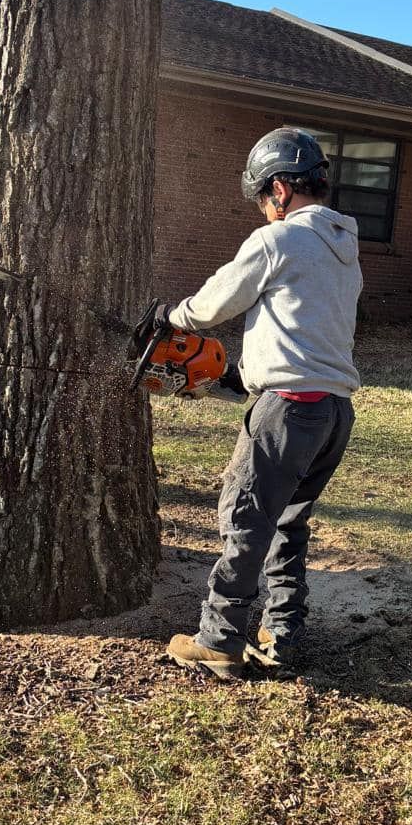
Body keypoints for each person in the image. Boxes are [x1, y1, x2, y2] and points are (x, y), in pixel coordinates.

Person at [159, 126, 363, 679]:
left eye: (262, 200)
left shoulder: (277, 240)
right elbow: (300, 327)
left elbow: (211, 306)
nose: (263, 212)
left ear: (279, 188)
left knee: (245, 518)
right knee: (287, 522)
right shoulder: (344, 246)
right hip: (332, 410)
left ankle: (219, 637)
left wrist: (170, 320)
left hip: (289, 408)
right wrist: (238, 376)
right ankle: (284, 631)